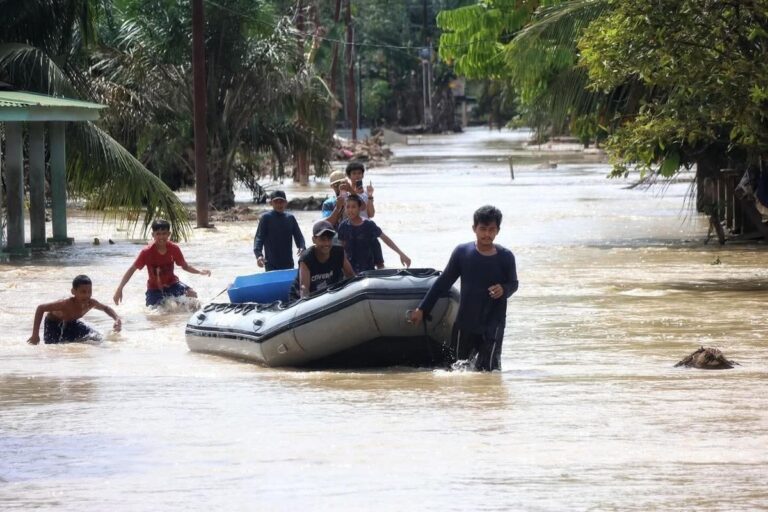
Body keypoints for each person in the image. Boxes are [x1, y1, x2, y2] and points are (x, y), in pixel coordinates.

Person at [408, 205, 518, 372]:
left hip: (494, 323)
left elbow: (514, 284)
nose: (487, 234)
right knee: (458, 370)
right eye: (483, 229)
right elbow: (443, 282)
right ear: (474, 228)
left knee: (490, 372)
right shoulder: (463, 253)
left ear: (498, 231)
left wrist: (504, 289)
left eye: (491, 229)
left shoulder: (506, 256)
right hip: (466, 321)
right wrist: (423, 308)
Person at [113, 219, 211, 307]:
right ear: (153, 235)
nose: (161, 237)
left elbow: (185, 266)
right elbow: (131, 270)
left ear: (169, 234)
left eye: (164, 233)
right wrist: (120, 288)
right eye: (158, 234)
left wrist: (199, 271)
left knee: (193, 296)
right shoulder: (146, 252)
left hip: (172, 284)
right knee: (155, 312)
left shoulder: (174, 249)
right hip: (154, 288)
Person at [28, 275, 121, 344]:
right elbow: (41, 308)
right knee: (54, 349)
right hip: (53, 325)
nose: (87, 295)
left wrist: (116, 319)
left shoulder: (90, 303)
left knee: (97, 339)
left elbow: (106, 308)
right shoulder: (64, 303)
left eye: (89, 292)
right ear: (73, 292)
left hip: (72, 323)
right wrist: (35, 335)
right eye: (83, 292)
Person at [337, 194, 411, 273]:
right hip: (351, 269)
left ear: (359, 209)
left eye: (353, 207)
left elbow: (384, 238)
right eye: (347, 207)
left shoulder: (368, 224)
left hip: (368, 268)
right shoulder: (343, 226)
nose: (350, 210)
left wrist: (401, 254)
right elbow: (341, 249)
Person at [289, 220, 355, 301]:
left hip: (328, 294)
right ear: (314, 240)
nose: (326, 243)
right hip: (299, 298)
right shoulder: (306, 258)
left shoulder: (339, 253)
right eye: (322, 239)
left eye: (329, 239)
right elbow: (304, 288)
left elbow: (351, 276)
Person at [253, 190, 306, 270]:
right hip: (271, 264)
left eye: (281, 201)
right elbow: (259, 238)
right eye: (276, 202)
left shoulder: (290, 218)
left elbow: (299, 236)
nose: (279, 204)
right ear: (271, 203)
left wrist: (302, 247)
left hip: (288, 263)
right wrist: (259, 255)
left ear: (286, 203)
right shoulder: (266, 218)